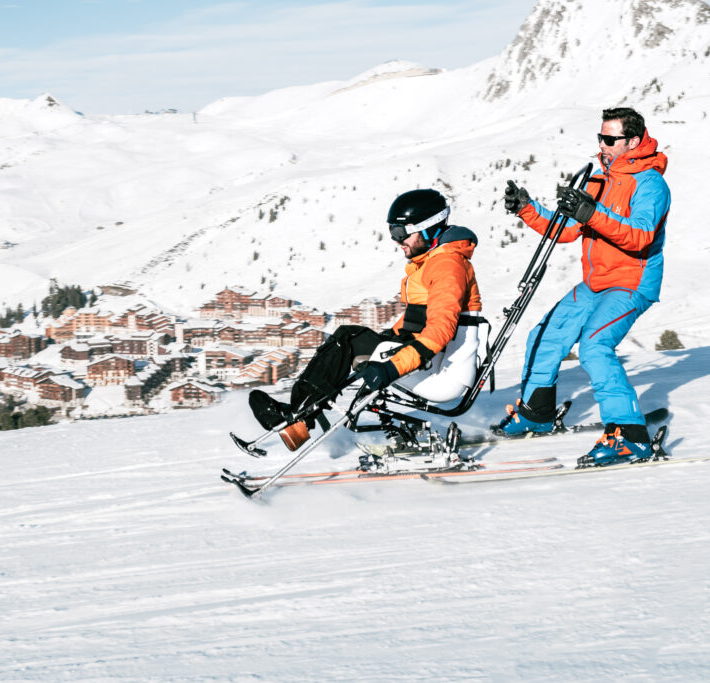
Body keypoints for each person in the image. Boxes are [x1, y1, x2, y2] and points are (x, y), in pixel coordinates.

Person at [497, 106, 671, 466]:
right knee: (545, 334)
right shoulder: (599, 178)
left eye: (610, 139)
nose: (603, 145)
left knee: (595, 346)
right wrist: (527, 208)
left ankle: (629, 435)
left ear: (633, 141)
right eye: (600, 137)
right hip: (596, 283)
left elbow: (638, 236)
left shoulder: (651, 184)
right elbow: (568, 229)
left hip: (630, 283)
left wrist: (591, 213)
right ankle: (536, 413)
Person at [249, 189, 482, 450]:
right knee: (351, 338)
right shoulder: (431, 261)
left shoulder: (447, 265)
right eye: (393, 233)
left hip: (443, 375)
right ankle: (299, 415)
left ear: (428, 229)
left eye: (401, 233)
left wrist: (390, 368)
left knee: (347, 340)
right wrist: (387, 339)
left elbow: (440, 329)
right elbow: (416, 322)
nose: (398, 241)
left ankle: (297, 416)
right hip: (430, 358)